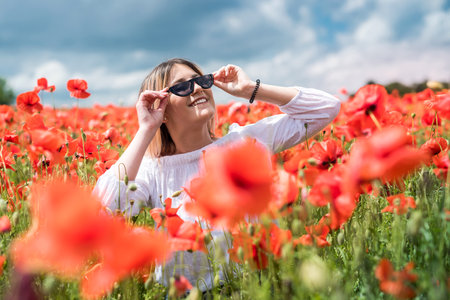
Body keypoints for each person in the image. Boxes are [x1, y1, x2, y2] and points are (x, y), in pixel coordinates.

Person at [93, 58, 341, 291]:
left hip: (259, 289)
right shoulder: (153, 170)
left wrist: (249, 89)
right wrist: (146, 129)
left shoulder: (247, 141)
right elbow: (103, 210)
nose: (197, 89)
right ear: (162, 109)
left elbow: (326, 108)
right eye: (181, 86)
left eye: (201, 81)